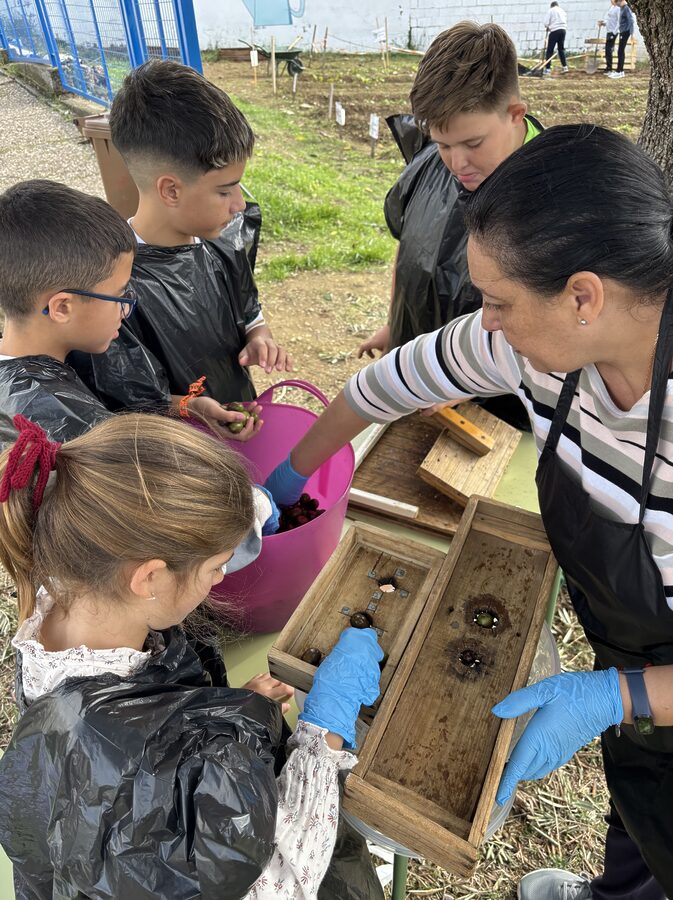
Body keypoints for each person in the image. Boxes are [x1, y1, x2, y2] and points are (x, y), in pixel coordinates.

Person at [266, 124, 673, 899]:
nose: (483, 321)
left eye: (497, 302)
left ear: (582, 296)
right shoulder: (522, 348)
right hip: (627, 643)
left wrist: (620, 695)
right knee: (637, 788)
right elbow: (381, 386)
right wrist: (290, 475)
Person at [0, 412, 384, 899]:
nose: (222, 578)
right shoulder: (116, 762)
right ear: (149, 577)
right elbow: (276, 880)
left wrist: (225, 718)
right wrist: (322, 734)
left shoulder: (70, 592)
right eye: (216, 566)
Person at [70, 59, 290, 441]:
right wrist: (191, 409)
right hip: (178, 455)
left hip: (237, 422)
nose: (239, 204)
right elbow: (126, 407)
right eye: (225, 190)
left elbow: (249, 309)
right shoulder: (111, 289)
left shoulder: (224, 241)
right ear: (171, 189)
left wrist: (259, 337)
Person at [357, 22, 542, 429]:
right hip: (420, 379)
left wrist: (474, 382)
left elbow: (564, 326)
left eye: (473, 144)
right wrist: (395, 325)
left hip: (497, 412)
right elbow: (408, 249)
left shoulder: (552, 192)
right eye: (443, 144)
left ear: (515, 115)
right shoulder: (430, 163)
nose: (457, 163)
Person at [0, 180, 257, 443]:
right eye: (119, 296)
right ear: (63, 308)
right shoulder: (70, 436)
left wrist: (188, 407)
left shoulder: (25, 375)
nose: (125, 311)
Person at [609, 0, 635, 80]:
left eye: (617, 3)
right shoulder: (622, 8)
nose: (617, 5)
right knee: (620, 51)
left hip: (625, 32)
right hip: (622, 31)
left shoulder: (626, 8)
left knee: (620, 51)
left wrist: (632, 34)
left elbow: (631, 21)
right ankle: (620, 71)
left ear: (620, 1)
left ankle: (619, 71)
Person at [543, 2, 569, 74]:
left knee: (550, 50)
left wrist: (548, 27)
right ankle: (565, 67)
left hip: (554, 31)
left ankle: (547, 69)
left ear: (551, 6)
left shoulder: (551, 10)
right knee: (561, 49)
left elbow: (546, 23)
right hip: (563, 30)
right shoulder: (562, 11)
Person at [599, 0, 621, 73]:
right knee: (607, 50)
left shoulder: (618, 9)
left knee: (609, 49)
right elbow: (609, 20)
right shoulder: (611, 7)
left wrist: (614, 33)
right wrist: (603, 23)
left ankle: (609, 68)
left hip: (613, 32)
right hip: (609, 31)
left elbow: (619, 22)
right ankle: (608, 66)